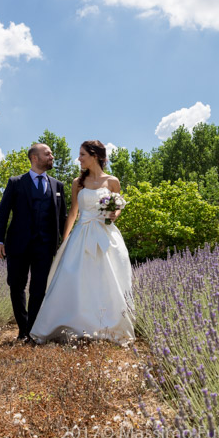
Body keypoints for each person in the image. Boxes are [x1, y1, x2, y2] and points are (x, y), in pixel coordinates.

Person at [30, 140, 135, 345]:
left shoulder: (112, 181)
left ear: (94, 155)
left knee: (107, 278)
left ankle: (108, 325)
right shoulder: (78, 182)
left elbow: (118, 204)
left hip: (106, 235)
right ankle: (75, 323)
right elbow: (73, 212)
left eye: (82, 155)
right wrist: (64, 240)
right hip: (82, 234)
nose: (78, 158)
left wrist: (115, 213)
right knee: (76, 278)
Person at [0, 143, 68, 344]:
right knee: (16, 285)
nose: (52, 156)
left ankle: (32, 331)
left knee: (39, 288)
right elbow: (3, 213)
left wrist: (67, 243)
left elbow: (62, 218)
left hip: (45, 246)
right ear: (34, 158)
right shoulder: (16, 183)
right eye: (48, 154)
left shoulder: (57, 186)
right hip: (18, 244)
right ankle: (23, 328)